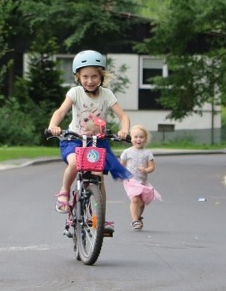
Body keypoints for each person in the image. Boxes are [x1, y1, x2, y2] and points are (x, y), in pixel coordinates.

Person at [47, 50, 131, 234]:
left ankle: (99, 218)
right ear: (78, 76)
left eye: (94, 76)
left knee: (98, 175)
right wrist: (54, 125)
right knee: (75, 164)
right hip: (75, 139)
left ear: (101, 76)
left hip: (97, 142)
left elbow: (123, 115)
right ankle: (64, 192)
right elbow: (61, 112)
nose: (90, 80)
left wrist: (124, 130)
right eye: (85, 76)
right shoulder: (75, 92)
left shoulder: (107, 94)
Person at [120, 124, 162, 230]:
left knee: (142, 203)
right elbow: (122, 165)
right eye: (136, 137)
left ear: (145, 139)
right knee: (135, 199)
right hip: (130, 180)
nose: (138, 139)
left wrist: (146, 170)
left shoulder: (147, 153)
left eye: (141, 137)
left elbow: (152, 167)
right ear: (131, 138)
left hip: (142, 181)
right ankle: (135, 221)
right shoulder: (127, 152)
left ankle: (138, 218)